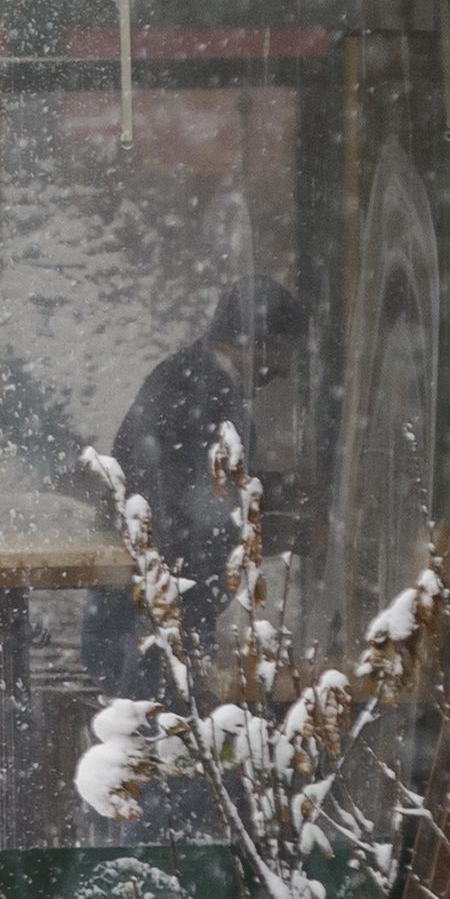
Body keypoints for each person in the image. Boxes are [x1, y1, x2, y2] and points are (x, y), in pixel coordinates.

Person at [85, 275, 306, 696]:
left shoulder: (188, 377)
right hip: (153, 616)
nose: (285, 370)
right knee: (160, 735)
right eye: (282, 353)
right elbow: (201, 507)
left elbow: (201, 486)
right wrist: (287, 525)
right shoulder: (205, 392)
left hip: (139, 607)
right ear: (256, 345)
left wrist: (284, 493)